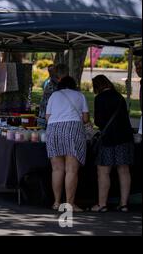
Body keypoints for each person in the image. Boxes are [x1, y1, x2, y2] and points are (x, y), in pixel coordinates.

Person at [90, 75, 134, 213]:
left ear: (97, 86)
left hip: (108, 139)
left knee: (104, 171)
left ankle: (102, 204)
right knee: (124, 170)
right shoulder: (120, 97)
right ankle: (124, 204)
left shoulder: (99, 99)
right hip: (125, 138)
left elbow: (98, 122)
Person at [45, 76, 90, 212]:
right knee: (71, 169)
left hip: (53, 130)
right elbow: (86, 118)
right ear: (73, 84)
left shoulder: (54, 95)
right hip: (72, 129)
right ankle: (69, 205)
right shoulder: (80, 96)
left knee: (57, 169)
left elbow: (47, 117)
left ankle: (57, 203)